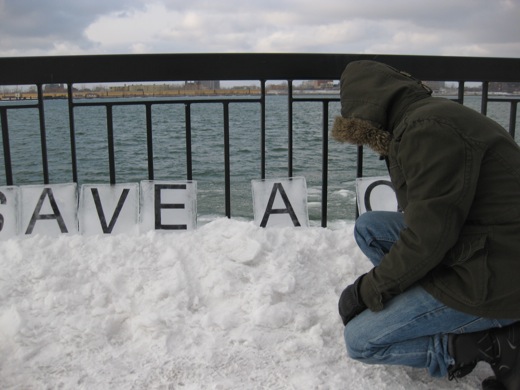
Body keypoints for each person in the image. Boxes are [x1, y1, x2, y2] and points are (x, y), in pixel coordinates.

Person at [331, 60, 520, 390]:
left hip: (497, 276)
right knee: (370, 227)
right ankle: (436, 307)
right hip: (488, 244)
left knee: (361, 341)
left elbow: (428, 238)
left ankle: (485, 343)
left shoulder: (427, 131)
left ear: (367, 113)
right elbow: (430, 224)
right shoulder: (423, 118)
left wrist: (368, 290)